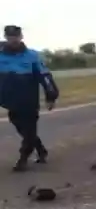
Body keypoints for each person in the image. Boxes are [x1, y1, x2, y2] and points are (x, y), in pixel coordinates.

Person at [0, 25, 59, 171]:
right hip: (10, 99)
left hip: (29, 99)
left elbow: (45, 76)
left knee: (29, 129)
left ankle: (23, 158)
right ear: (6, 37)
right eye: (10, 37)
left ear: (21, 37)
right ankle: (40, 149)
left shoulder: (32, 56)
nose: (13, 40)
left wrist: (51, 96)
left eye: (16, 37)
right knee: (22, 128)